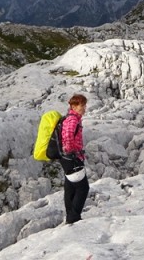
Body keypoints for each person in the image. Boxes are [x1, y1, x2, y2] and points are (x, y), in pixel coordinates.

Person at [59, 94, 89, 224]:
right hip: (71, 158)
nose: (84, 108)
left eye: (84, 105)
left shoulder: (72, 118)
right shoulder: (72, 120)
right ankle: (73, 217)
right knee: (83, 188)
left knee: (70, 187)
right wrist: (73, 154)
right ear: (73, 106)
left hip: (66, 158)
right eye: (81, 106)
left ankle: (69, 217)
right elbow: (68, 137)